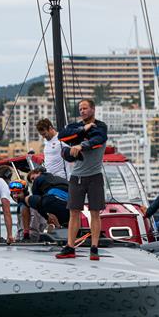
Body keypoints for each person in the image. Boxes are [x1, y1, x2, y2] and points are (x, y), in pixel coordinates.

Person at [54, 99, 108, 261]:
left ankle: (94, 247)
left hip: (95, 176)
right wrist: (83, 128)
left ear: (93, 109)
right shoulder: (74, 127)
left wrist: (81, 146)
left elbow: (98, 140)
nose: (82, 111)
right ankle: (70, 247)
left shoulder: (100, 127)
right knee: (74, 213)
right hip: (76, 177)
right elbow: (62, 136)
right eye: (80, 109)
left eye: (85, 108)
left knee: (95, 213)